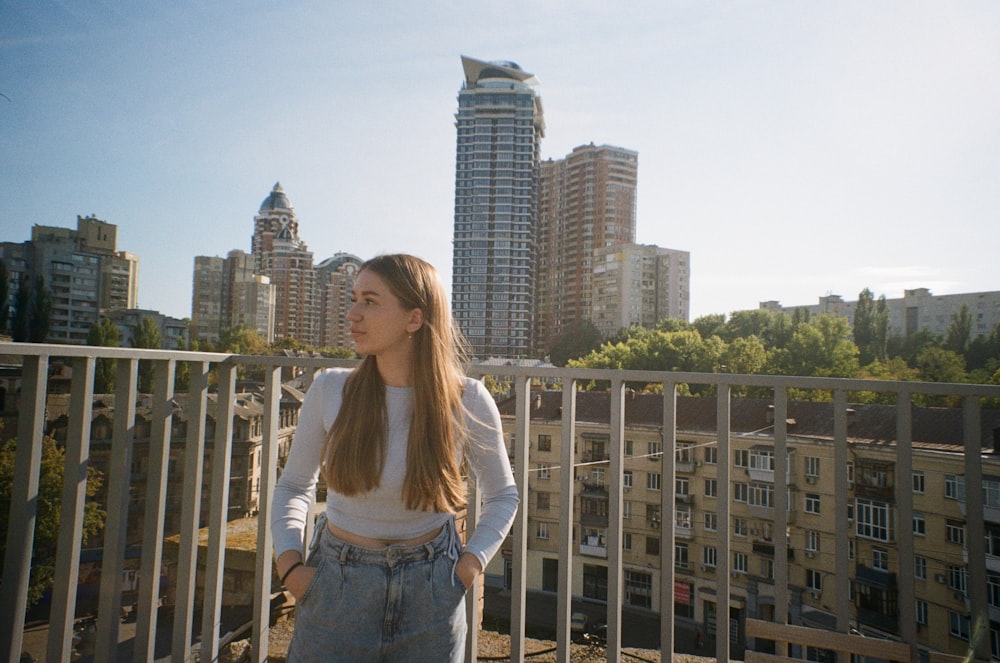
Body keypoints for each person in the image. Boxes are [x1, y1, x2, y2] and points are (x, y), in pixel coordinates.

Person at [271, 254, 519, 662]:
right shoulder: (330, 389)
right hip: (337, 584)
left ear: (414, 319)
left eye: (370, 301)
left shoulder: (468, 398)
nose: (352, 314)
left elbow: (503, 495)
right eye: (353, 299)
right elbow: (295, 485)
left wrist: (467, 569)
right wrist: (291, 569)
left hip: (432, 587)